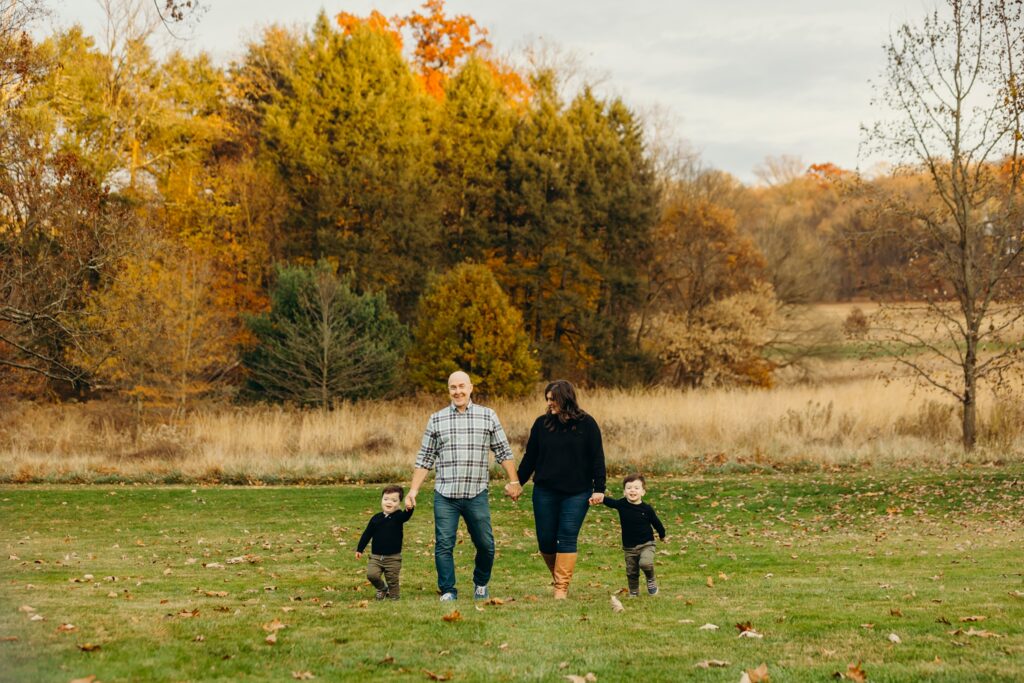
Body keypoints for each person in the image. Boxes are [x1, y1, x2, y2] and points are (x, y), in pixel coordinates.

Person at [404, 370, 522, 601]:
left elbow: (503, 451)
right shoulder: (436, 419)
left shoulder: (487, 416)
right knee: (444, 545)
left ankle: (480, 583)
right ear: (448, 390)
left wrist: (514, 480)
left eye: (461, 386)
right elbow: (425, 458)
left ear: (470, 388)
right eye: (453, 388)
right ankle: (448, 590)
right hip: (445, 495)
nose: (457, 391)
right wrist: (413, 491)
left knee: (486, 545)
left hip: (476, 493)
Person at [516, 379, 606, 599]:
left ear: (565, 399)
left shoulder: (587, 424)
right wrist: (517, 482)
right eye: (547, 399)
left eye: (552, 399)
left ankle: (561, 589)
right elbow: (531, 457)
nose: (549, 403)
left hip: (577, 492)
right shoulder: (541, 424)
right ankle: (559, 579)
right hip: (545, 491)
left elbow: (597, 458)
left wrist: (599, 488)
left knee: (566, 536)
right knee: (546, 539)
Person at [600, 473, 666, 596]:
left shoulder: (647, 509)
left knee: (645, 563)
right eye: (629, 488)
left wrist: (662, 535)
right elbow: (610, 502)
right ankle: (634, 592)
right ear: (624, 492)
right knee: (631, 571)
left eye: (636, 488)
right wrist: (599, 497)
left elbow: (656, 523)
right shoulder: (622, 504)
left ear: (643, 492)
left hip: (647, 543)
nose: (632, 490)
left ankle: (650, 579)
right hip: (629, 547)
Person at [355, 484, 414, 600]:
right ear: (381, 500)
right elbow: (367, 534)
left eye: (393, 500)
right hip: (376, 556)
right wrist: (359, 549)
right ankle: (382, 588)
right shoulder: (376, 518)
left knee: (392, 579)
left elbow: (406, 516)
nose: (389, 502)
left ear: (399, 503)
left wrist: (409, 508)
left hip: (393, 557)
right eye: (386, 499)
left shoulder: (398, 517)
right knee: (371, 575)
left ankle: (394, 597)